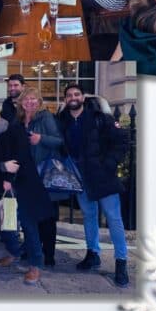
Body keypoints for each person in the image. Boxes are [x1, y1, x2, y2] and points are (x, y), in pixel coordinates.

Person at [56, 83, 130, 287]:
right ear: (65, 99)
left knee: (114, 219)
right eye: (69, 95)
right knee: (89, 216)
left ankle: (121, 262)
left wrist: (110, 163)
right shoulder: (62, 121)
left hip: (103, 176)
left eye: (76, 94)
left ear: (83, 97)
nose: (73, 97)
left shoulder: (100, 117)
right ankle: (93, 253)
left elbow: (121, 141)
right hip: (80, 177)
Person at [0, 105, 51, 285]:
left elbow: (21, 155)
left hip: (24, 184)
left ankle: (35, 265)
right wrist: (3, 167)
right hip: (2, 188)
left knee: (28, 225)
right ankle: (14, 252)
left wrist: (9, 177)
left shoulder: (13, 130)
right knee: (6, 224)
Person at [17, 87, 66, 267]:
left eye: (33, 99)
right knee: (30, 215)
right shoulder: (20, 119)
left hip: (45, 173)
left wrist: (41, 138)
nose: (29, 102)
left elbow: (59, 140)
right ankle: (32, 248)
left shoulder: (45, 117)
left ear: (39, 102)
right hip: (26, 174)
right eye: (26, 99)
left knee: (47, 217)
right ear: (21, 102)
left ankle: (49, 254)